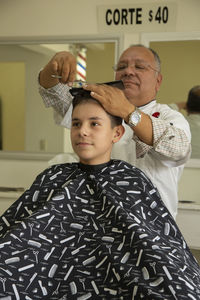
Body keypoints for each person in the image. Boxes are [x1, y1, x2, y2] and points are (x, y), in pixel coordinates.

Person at [0, 93, 199, 299]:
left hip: (114, 275)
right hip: (52, 270)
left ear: (117, 133)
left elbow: (157, 242)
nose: (82, 131)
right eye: (76, 124)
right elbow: (19, 229)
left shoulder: (131, 180)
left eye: (94, 124)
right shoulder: (54, 175)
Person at [38, 45, 191, 220]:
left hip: (151, 230)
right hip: (103, 225)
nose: (128, 72)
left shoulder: (170, 117)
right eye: (121, 67)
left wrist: (128, 112)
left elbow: (178, 148)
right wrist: (55, 66)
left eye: (139, 67)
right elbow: (54, 93)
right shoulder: (97, 110)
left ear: (158, 81)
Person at [169, 85, 200, 159]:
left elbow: (157, 114)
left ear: (187, 107)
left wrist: (178, 105)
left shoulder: (176, 124)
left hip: (182, 169)